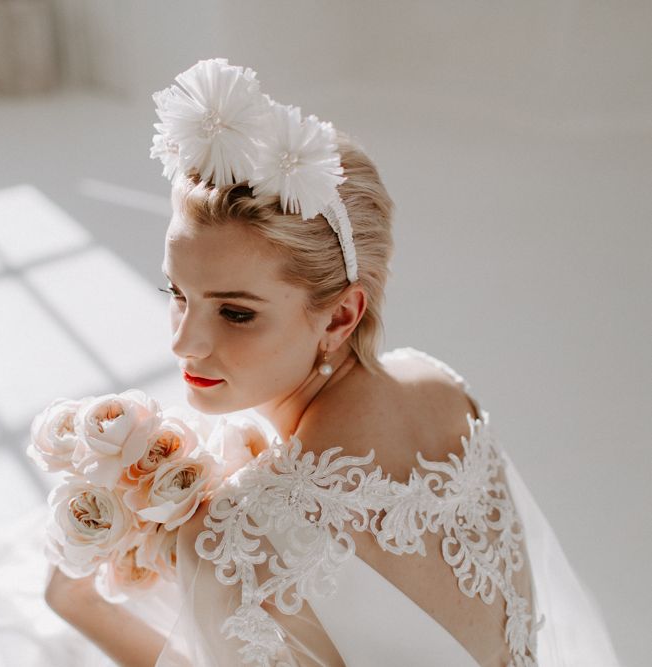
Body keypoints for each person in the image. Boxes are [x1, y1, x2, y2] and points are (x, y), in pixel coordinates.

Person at [45, 59, 621, 666]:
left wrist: (77, 604)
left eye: (236, 313)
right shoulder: (442, 387)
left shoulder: (238, 539)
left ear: (342, 316)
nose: (184, 344)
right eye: (176, 294)